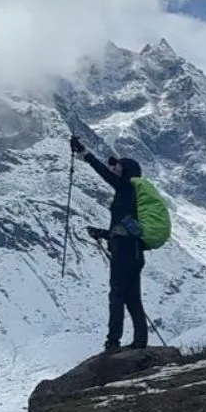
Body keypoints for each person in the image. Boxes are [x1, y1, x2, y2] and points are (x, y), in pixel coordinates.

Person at [69, 135, 148, 352]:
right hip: (134, 252)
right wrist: (103, 234)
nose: (114, 169)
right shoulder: (130, 194)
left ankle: (113, 342)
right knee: (132, 298)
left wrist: (85, 153)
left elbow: (104, 173)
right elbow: (124, 229)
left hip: (123, 252)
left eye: (118, 167)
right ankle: (140, 341)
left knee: (117, 295)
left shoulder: (126, 188)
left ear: (127, 172)